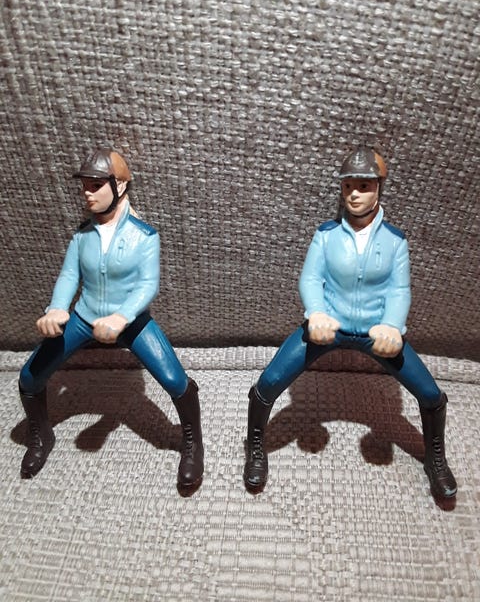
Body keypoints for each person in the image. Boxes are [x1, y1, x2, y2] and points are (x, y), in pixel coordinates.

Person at [243, 145, 457, 501]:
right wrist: (316, 313)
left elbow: (399, 290)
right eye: (347, 187)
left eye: (364, 186)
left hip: (377, 333)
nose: (354, 194)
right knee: (269, 382)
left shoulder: (395, 242)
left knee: (430, 394)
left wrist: (393, 325)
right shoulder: (326, 235)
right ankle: (254, 445)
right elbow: (311, 279)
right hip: (327, 327)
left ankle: (435, 456)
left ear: (379, 188)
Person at [19, 148, 204, 489]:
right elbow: (69, 276)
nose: (87, 193)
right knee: (30, 376)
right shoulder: (81, 236)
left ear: (119, 186)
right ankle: (41, 434)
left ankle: (192, 441)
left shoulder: (144, 236)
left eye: (95, 185)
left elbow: (147, 285)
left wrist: (122, 316)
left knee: (175, 380)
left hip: (131, 323)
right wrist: (57, 308)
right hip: (84, 317)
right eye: (84, 186)